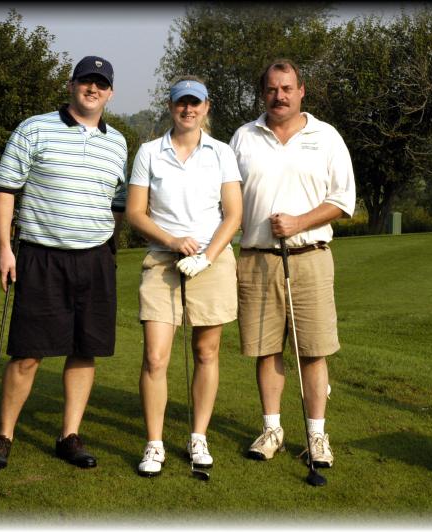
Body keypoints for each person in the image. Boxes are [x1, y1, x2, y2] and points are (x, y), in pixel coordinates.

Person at [0, 56, 127, 472]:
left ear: (110, 93)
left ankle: (69, 436)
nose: (92, 89)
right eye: (86, 81)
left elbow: (118, 203)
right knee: (28, 353)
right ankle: (4, 435)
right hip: (42, 257)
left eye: (100, 84)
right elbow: (6, 190)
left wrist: (109, 245)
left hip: (95, 258)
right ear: (71, 85)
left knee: (84, 350)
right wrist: (4, 248)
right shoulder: (34, 128)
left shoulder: (118, 143)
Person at [229, 59, 355, 473]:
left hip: (309, 257)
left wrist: (300, 222)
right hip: (257, 259)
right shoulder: (244, 137)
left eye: (286, 89)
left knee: (313, 351)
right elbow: (227, 199)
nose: (279, 96)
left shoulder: (326, 137)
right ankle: (272, 430)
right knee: (266, 350)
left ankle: (317, 435)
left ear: (302, 91)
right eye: (271, 89)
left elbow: (343, 200)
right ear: (262, 93)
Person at [126, 76, 243, 477]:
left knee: (206, 352)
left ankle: (198, 436)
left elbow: (234, 214)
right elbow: (135, 212)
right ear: (171, 107)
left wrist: (207, 257)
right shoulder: (149, 152)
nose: (188, 109)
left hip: (212, 261)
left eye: (195, 103)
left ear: (206, 107)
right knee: (155, 356)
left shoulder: (222, 152)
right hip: (163, 259)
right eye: (181, 103)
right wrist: (172, 240)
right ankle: (154, 443)